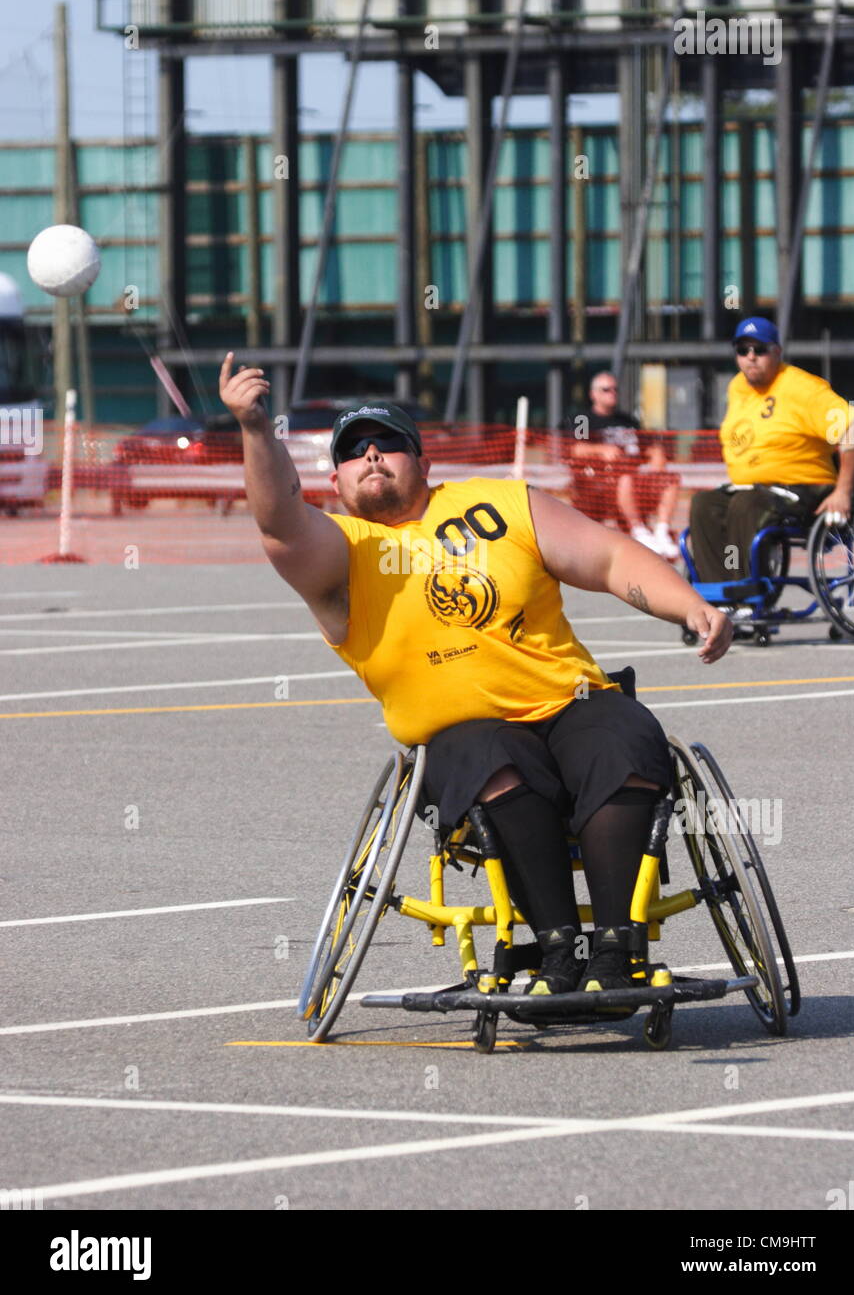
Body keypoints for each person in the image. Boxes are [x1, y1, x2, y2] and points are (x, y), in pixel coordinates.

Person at [220, 354, 731, 1002]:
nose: (372, 454)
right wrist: (257, 428)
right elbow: (277, 519)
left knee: (623, 734)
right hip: (464, 737)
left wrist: (690, 607)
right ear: (339, 478)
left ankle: (615, 946)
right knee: (493, 761)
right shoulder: (338, 553)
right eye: (354, 451)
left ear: (423, 462)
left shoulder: (499, 503)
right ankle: (557, 951)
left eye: (389, 443)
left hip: (567, 701)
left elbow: (607, 558)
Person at [689, 317, 854, 583]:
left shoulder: (801, 388)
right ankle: (716, 590)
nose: (751, 357)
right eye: (742, 350)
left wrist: (843, 491)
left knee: (746, 504)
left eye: (759, 350)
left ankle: (746, 589)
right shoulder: (737, 386)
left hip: (805, 488)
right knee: (703, 504)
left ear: (777, 352)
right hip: (754, 488)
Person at [570, 371, 681, 560]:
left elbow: (646, 448)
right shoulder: (584, 419)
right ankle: (639, 530)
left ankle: (661, 531)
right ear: (593, 394)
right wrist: (602, 450)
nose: (612, 393)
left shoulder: (628, 420)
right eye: (606, 389)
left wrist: (655, 455)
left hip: (637, 478)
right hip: (603, 481)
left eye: (615, 389)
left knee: (670, 479)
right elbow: (576, 449)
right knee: (625, 476)